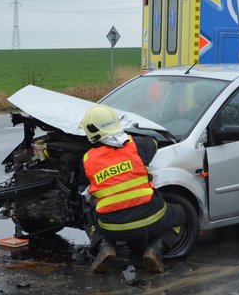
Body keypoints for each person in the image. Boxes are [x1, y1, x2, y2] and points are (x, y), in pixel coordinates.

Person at [79, 104, 185, 274]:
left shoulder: (86, 160)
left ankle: (105, 246)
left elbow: (84, 186)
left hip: (113, 227)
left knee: (88, 214)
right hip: (151, 220)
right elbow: (154, 143)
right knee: (179, 213)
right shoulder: (137, 145)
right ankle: (155, 250)